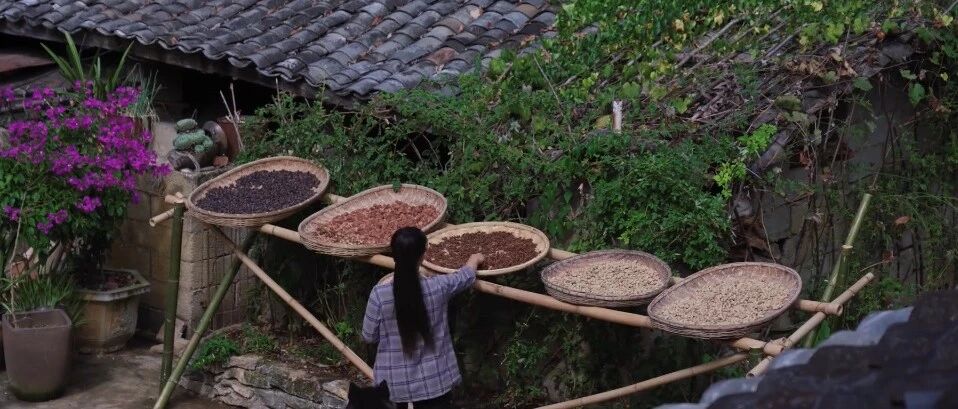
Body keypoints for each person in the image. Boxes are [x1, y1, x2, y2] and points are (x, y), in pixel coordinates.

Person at [362, 227, 484, 409]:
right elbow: (465, 276)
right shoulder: (439, 287)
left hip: (394, 383)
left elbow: (369, 336)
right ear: (423, 255)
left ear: (393, 255)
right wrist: (475, 259)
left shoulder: (379, 294)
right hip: (434, 381)